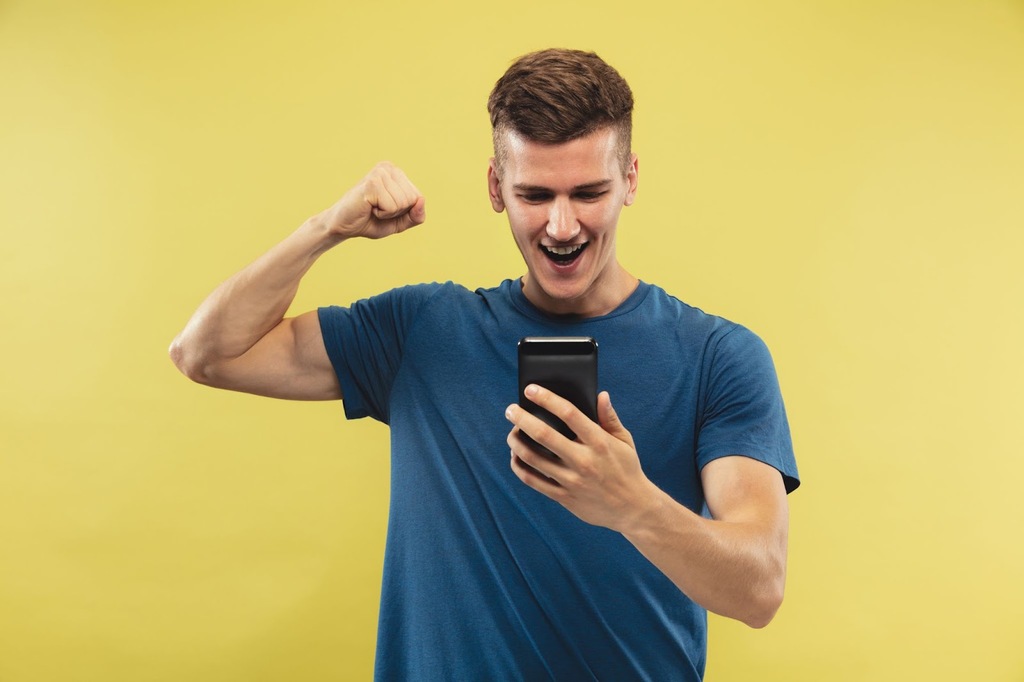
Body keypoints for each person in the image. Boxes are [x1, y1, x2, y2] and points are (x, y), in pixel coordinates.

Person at [170, 48, 799, 681]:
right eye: (534, 194)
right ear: (496, 188)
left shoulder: (719, 355)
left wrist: (631, 503)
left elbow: (760, 585)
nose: (561, 225)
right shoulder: (420, 332)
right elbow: (206, 353)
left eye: (589, 193)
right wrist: (326, 228)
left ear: (630, 180)